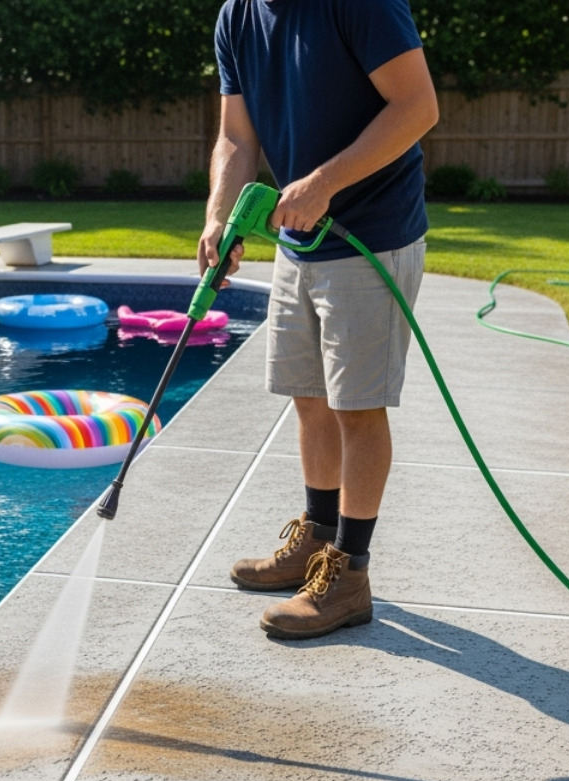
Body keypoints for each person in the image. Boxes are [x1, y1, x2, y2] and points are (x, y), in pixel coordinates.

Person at [202, 0, 439, 640]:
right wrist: (218, 217)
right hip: (298, 240)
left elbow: (417, 107)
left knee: (356, 409)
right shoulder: (238, 16)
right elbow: (237, 136)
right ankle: (316, 537)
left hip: (372, 235)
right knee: (309, 400)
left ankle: (349, 576)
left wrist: (323, 183)